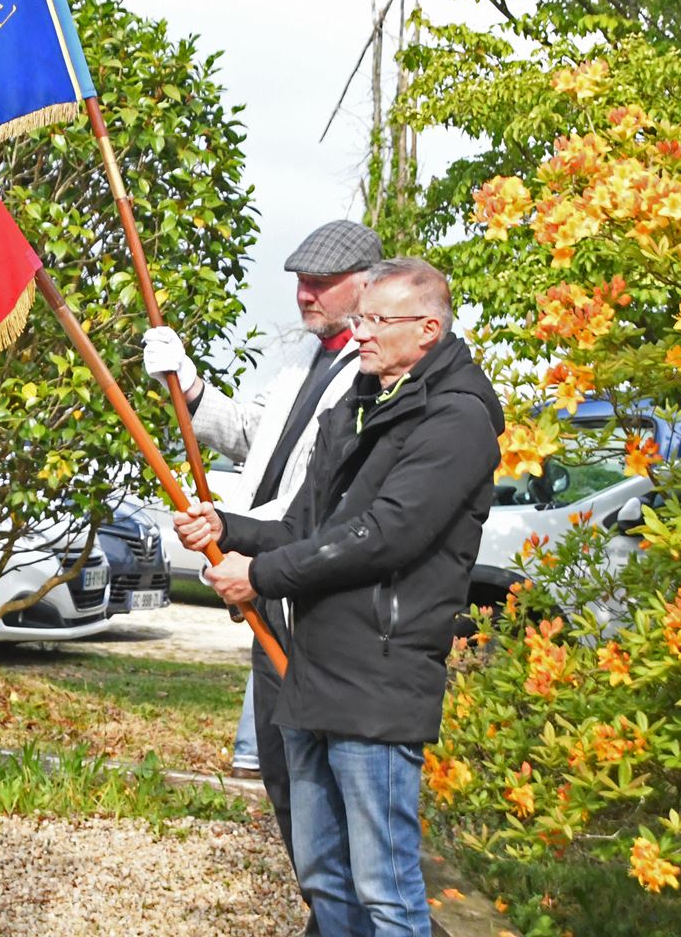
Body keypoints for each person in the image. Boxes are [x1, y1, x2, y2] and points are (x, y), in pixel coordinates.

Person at [171, 257, 503, 937]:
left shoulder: (457, 419)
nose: (363, 334)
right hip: (313, 668)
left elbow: (384, 536)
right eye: (360, 318)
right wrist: (228, 528)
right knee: (323, 876)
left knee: (385, 892)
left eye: (379, 320)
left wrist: (261, 576)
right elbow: (309, 528)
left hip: (378, 683)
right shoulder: (355, 404)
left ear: (428, 329)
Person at [143, 218, 382, 928]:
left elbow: (320, 502)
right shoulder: (303, 360)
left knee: (320, 777)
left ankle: (342, 917)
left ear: (367, 285)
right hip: (264, 583)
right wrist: (190, 387)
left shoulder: (374, 374)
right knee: (282, 769)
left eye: (321, 283)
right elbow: (254, 436)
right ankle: (326, 911)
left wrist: (239, 538)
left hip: (309, 590)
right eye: (300, 282)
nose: (305, 294)